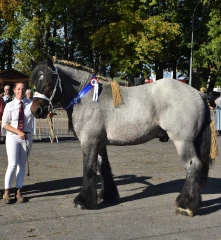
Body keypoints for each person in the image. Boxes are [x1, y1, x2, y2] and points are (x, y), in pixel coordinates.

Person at [1, 82, 34, 203]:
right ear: (14, 90)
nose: (21, 91)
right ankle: (6, 191)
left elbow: (40, 112)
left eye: (23, 89)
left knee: (22, 164)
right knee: (13, 164)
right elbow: (4, 124)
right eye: (18, 89)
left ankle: (19, 190)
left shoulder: (31, 104)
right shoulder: (9, 105)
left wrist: (47, 113)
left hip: (27, 137)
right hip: (13, 137)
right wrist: (18, 132)